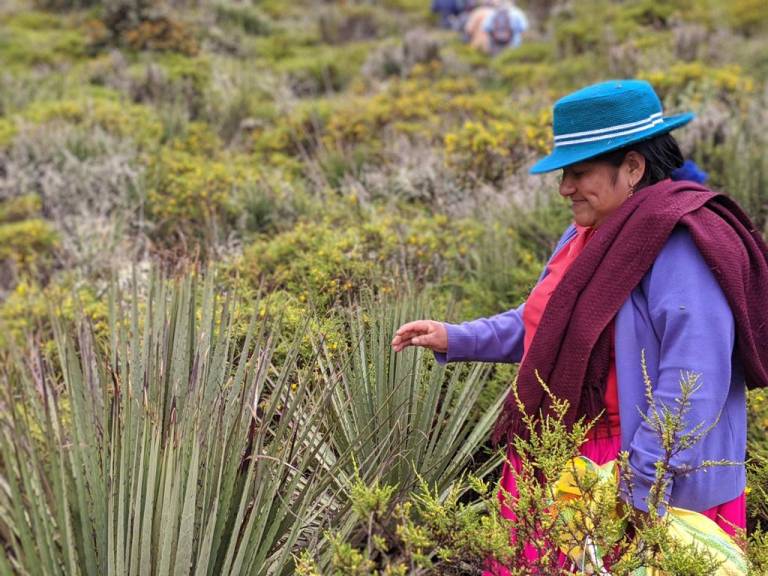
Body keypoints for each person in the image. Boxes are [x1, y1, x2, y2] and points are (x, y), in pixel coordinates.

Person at [391, 79, 768, 572]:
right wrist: (456, 337)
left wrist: (641, 485)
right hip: (570, 467)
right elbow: (549, 325)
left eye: (579, 172)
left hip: (645, 476)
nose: (565, 187)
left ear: (633, 166)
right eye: (565, 173)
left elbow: (693, 381)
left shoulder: (678, 245)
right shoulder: (590, 234)